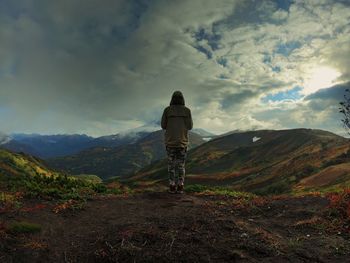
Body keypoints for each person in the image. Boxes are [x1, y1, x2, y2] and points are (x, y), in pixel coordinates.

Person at [161, 91, 193, 194]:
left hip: (170, 142)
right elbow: (190, 126)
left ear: (172, 99)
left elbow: (163, 125)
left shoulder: (167, 110)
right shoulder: (187, 111)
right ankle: (180, 187)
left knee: (171, 165)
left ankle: (171, 186)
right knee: (181, 165)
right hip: (182, 142)